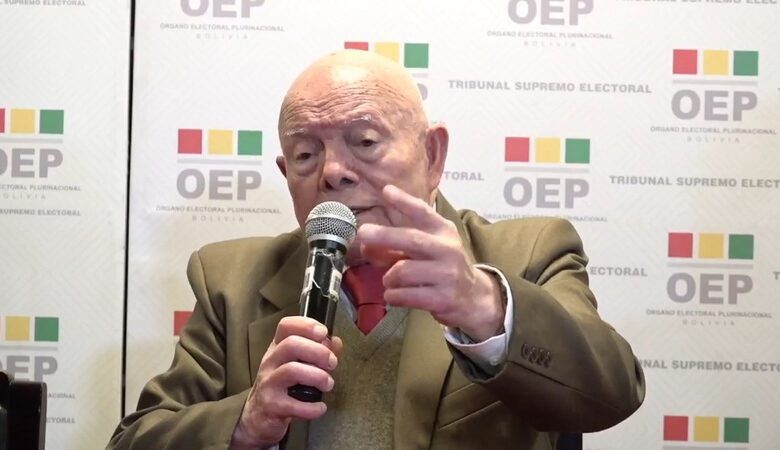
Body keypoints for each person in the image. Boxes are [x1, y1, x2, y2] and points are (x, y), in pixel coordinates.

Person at [108, 50, 645, 450]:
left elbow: (612, 393)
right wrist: (244, 423)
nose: (333, 172)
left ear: (432, 155)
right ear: (286, 173)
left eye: (364, 142)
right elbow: (136, 438)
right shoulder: (230, 279)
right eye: (306, 154)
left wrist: (483, 305)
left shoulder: (526, 253)